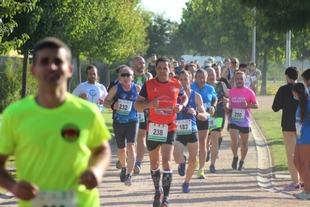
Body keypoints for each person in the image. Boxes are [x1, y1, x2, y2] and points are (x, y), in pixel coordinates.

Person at [0, 37, 111, 207]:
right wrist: (13, 186)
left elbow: (102, 150)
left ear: (69, 69)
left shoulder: (87, 112)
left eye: (58, 62)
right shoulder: (15, 115)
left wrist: (96, 171)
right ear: (33, 70)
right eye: (44, 62)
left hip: (81, 202)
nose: (51, 67)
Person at [135, 57, 188, 207]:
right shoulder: (149, 85)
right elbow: (137, 106)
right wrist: (150, 104)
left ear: (170, 69)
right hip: (153, 127)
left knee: (166, 161)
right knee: (154, 163)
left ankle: (166, 197)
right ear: (156, 69)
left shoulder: (176, 84)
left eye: (165, 68)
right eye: (160, 68)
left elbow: (184, 98)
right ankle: (157, 191)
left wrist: (181, 106)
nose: (163, 71)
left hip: (170, 127)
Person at [104, 66, 140, 186]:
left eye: (128, 75)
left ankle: (129, 175)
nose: (125, 77)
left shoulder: (137, 89)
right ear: (119, 77)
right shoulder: (115, 89)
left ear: (132, 77)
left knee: (131, 147)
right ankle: (124, 167)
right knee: (121, 149)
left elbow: (144, 102)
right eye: (123, 75)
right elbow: (105, 102)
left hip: (133, 121)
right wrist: (113, 105)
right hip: (118, 122)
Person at [174, 70, 207, 193]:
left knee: (193, 159)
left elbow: (205, 116)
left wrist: (197, 113)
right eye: (181, 80)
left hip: (192, 131)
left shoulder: (196, 96)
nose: (183, 82)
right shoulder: (175, 96)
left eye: (185, 79)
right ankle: (182, 161)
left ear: (190, 80)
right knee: (177, 158)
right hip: (178, 131)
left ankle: (186, 183)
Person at [272, 66, 302, 190]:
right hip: (302, 125)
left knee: (291, 154)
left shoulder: (283, 89)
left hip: (288, 125)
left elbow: (275, 107)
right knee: (303, 154)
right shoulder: (303, 88)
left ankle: (295, 182)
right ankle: (305, 180)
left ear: (287, 76)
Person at [225, 70, 258, 171]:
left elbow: (256, 105)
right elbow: (225, 104)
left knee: (244, 143)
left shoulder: (249, 92)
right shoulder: (230, 92)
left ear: (245, 80)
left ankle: (242, 161)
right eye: (237, 79)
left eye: (241, 79)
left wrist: (247, 105)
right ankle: (235, 157)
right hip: (233, 120)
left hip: (244, 121)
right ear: (235, 79)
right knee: (234, 140)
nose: (239, 81)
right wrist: (227, 109)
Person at [191, 69, 217, 179]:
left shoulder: (210, 88)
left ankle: (201, 169)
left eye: (203, 77)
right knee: (192, 144)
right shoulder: (191, 86)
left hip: (204, 118)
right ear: (195, 78)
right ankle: (192, 161)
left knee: (203, 142)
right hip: (191, 119)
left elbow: (214, 99)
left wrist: (213, 106)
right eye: (199, 77)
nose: (201, 79)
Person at [206, 68, 229, 173]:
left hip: (218, 113)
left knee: (215, 136)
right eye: (209, 74)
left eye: (213, 74)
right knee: (206, 137)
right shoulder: (203, 86)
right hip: (205, 114)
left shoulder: (221, 84)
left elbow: (228, 96)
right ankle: (207, 151)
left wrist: (227, 101)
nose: (211, 76)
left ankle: (212, 164)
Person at [132, 56, 152, 174]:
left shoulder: (148, 78)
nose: (142, 65)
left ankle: (138, 162)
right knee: (131, 138)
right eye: (139, 63)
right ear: (134, 64)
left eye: (143, 63)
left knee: (141, 137)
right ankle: (129, 159)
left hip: (143, 110)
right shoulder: (128, 76)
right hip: (130, 111)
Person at [292, 83, 310, 200]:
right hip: (299, 136)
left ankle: (307, 192)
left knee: (304, 164)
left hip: (307, 137)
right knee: (296, 161)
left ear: (296, 93)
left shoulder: (308, 104)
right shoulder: (300, 104)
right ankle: (308, 186)